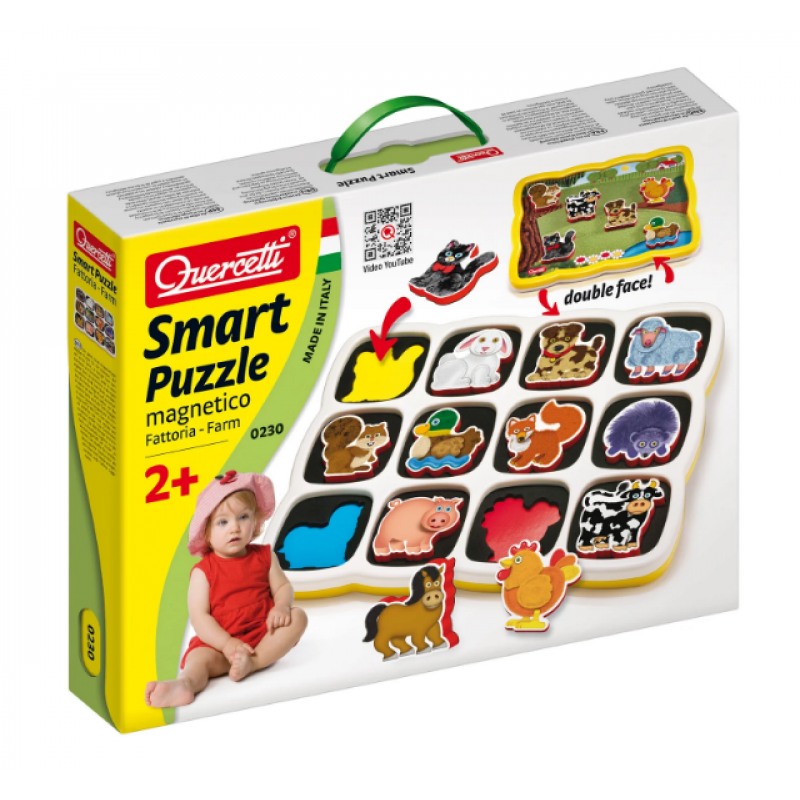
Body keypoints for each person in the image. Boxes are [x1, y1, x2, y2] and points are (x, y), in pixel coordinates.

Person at [145, 471, 307, 708]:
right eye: (223, 522)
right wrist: (226, 644)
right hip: (219, 645)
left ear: (255, 520)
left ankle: (255, 662)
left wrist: (281, 606)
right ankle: (184, 685)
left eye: (243, 517)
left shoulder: (264, 556)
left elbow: (283, 586)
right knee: (198, 660)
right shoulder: (203, 572)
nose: (235, 528)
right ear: (207, 533)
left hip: (263, 634)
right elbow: (200, 617)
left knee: (298, 617)